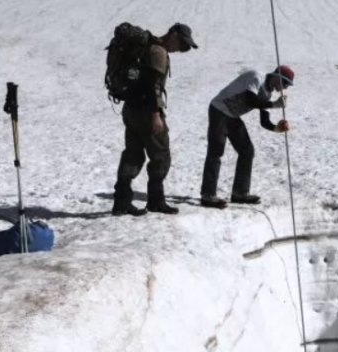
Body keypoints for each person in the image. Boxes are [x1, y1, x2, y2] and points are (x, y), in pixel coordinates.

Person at [112, 23, 198, 216]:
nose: (181, 50)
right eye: (182, 44)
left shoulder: (147, 48)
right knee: (161, 156)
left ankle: (121, 201)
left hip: (131, 109)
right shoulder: (158, 52)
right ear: (173, 35)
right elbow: (154, 87)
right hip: (147, 112)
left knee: (133, 154)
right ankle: (156, 201)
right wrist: (156, 115)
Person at [198, 65, 294, 208]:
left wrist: (276, 128)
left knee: (247, 151)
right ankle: (208, 195)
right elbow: (250, 100)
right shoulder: (256, 77)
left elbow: (264, 121)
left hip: (232, 116)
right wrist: (274, 105)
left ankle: (240, 193)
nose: (285, 88)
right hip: (219, 110)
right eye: (285, 83)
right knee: (216, 151)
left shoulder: (267, 94)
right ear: (277, 77)